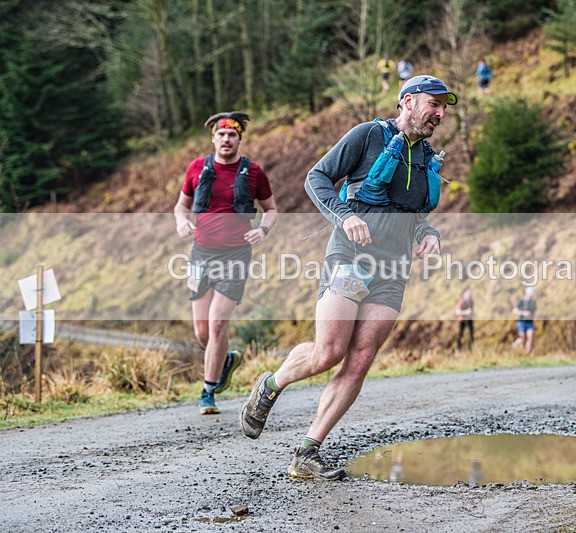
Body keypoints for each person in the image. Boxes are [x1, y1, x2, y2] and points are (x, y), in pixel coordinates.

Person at [240, 75, 457, 481]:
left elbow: (415, 214)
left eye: (445, 107)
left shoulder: (426, 157)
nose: (441, 114)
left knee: (359, 361)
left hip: (393, 272)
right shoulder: (367, 136)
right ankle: (271, 384)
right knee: (329, 352)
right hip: (351, 259)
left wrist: (429, 234)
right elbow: (316, 178)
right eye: (434, 104)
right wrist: (345, 216)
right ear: (408, 101)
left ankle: (307, 452)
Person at [174, 111, 278, 415]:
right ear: (213, 138)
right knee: (202, 332)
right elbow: (181, 205)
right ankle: (226, 360)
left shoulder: (254, 172)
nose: (226, 139)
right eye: (221, 134)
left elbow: (271, 209)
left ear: (239, 139)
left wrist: (262, 230)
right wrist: (181, 222)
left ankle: (208, 392)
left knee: (218, 323)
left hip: (235, 256)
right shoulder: (197, 167)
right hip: (200, 255)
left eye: (232, 134)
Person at [512, 287, 536, 354]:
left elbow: (533, 312)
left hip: (530, 322)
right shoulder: (522, 301)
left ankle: (527, 352)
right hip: (521, 322)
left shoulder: (533, 302)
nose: (530, 297)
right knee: (523, 339)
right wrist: (523, 313)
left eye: (531, 295)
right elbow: (514, 310)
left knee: (530, 337)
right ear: (526, 294)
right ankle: (515, 344)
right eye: (529, 295)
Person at [455, 287, 474, 352]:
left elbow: (471, 310)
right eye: (468, 292)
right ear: (465, 293)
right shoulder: (462, 301)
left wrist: (472, 313)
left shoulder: (471, 301)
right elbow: (457, 312)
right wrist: (466, 312)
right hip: (462, 320)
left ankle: (469, 350)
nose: (470, 294)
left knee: (471, 334)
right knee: (460, 335)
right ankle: (458, 349)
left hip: (469, 320)